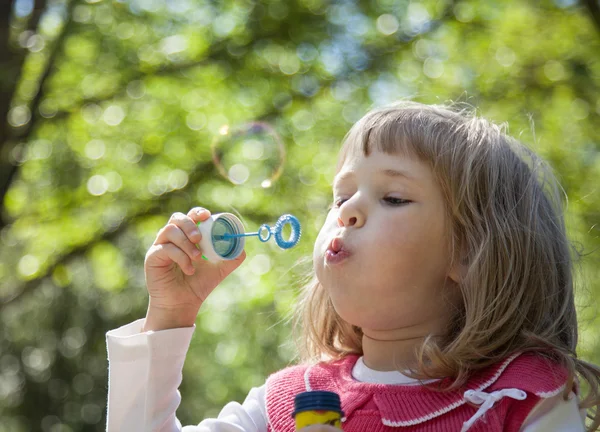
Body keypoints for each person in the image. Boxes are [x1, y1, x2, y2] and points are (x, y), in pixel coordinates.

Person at [105, 101, 600, 432]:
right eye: (341, 195)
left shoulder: (519, 399)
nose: (347, 210)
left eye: (393, 196)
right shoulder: (284, 402)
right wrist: (170, 315)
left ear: (470, 253)